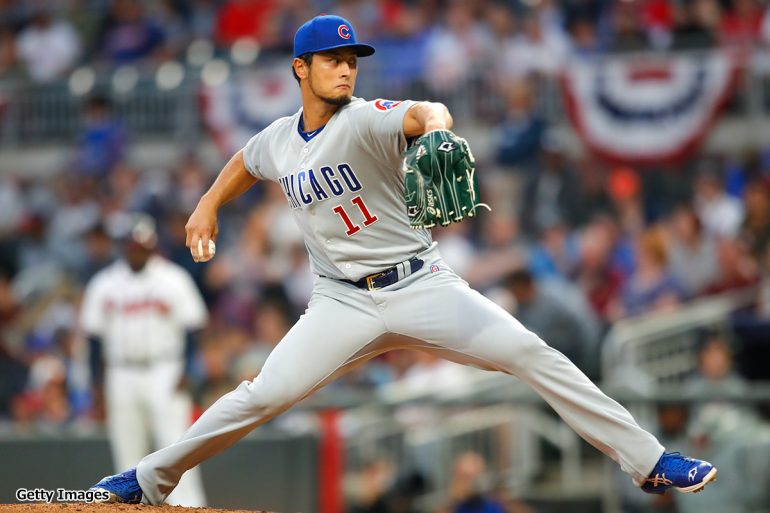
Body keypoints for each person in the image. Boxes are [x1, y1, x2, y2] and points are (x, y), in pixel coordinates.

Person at [90, 14, 718, 505]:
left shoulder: (364, 119)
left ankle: (650, 461)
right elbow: (245, 162)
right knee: (261, 395)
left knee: (532, 353)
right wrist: (206, 205)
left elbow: (422, 113)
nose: (347, 70)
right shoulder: (279, 138)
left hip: (421, 285)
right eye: (333, 60)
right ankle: (147, 480)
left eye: (352, 60)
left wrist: (438, 126)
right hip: (340, 301)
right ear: (300, 68)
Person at [81, 214, 207, 506]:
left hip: (165, 369)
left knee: (177, 445)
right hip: (121, 371)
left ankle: (190, 506)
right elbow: (93, 339)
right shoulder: (105, 283)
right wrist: (97, 385)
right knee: (127, 447)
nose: (137, 251)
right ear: (123, 246)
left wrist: (188, 369)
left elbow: (193, 328)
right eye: (132, 246)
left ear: (152, 246)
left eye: (142, 246)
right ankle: (130, 507)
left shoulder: (173, 278)